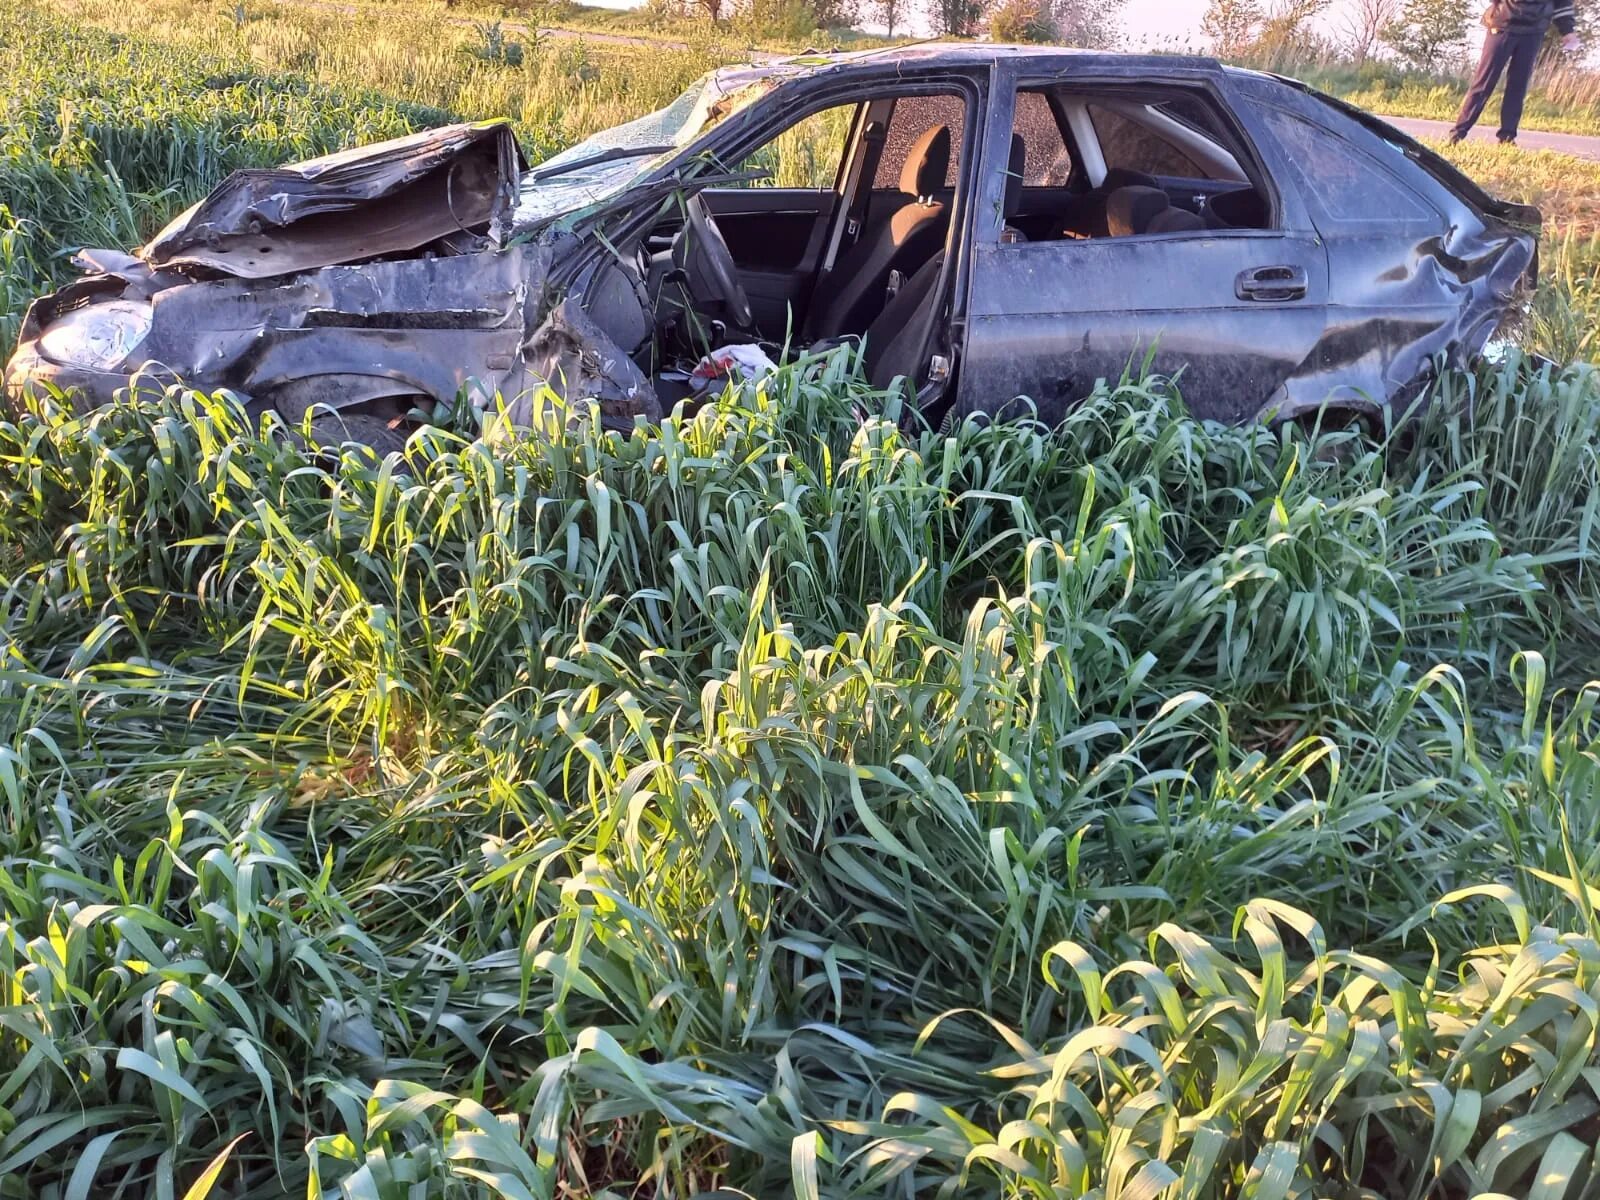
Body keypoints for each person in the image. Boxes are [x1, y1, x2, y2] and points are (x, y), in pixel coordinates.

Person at [1449, 0, 1582, 146]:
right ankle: (1458, 134)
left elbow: (1562, 4)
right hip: (1502, 24)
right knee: (1484, 83)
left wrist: (1568, 31)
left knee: (1518, 86)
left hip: (1534, 30)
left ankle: (1507, 137)